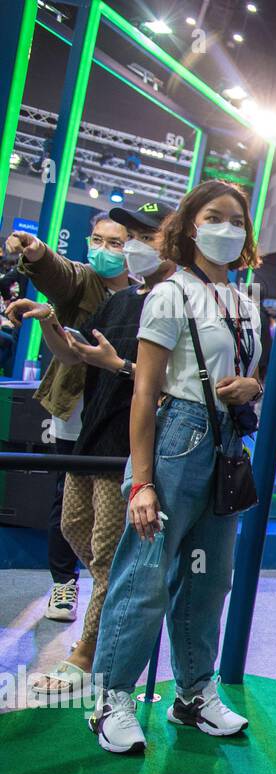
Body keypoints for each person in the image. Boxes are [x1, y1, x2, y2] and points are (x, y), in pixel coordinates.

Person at [88, 180, 264, 754]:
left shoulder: (243, 300)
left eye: (237, 219)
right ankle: (112, 697)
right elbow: (144, 393)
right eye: (215, 216)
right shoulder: (171, 294)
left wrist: (252, 385)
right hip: (179, 440)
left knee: (210, 580)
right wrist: (141, 481)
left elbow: (241, 366)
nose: (227, 228)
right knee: (144, 576)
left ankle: (193, 694)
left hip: (228, 443)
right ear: (190, 225)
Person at [17, 201, 177, 701]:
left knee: (109, 553)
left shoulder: (179, 301)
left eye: (141, 236)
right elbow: (78, 353)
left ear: (169, 241)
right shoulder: (122, 300)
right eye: (123, 235)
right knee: (73, 528)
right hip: (91, 436)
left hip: (125, 449)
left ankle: (86, 651)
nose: (129, 245)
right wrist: (46, 321)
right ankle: (121, 604)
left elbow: (173, 385)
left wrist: (120, 368)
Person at [6, 214, 132, 622]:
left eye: (115, 243)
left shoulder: (149, 293)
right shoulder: (83, 280)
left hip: (121, 412)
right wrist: (36, 251)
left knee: (113, 501)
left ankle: (108, 584)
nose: (103, 249)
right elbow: (58, 273)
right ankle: (64, 583)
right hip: (75, 410)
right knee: (68, 501)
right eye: (97, 239)